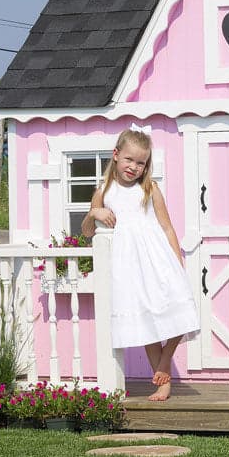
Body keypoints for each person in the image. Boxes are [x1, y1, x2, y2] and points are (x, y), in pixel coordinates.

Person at [81, 125, 199, 402]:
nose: (133, 167)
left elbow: (167, 227)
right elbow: (87, 230)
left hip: (159, 258)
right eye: (129, 160)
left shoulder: (150, 188)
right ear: (116, 155)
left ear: (147, 166)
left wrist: (178, 261)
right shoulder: (105, 190)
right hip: (129, 264)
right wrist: (95, 212)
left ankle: (164, 362)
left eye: (141, 162)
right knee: (147, 321)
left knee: (180, 308)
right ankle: (163, 384)